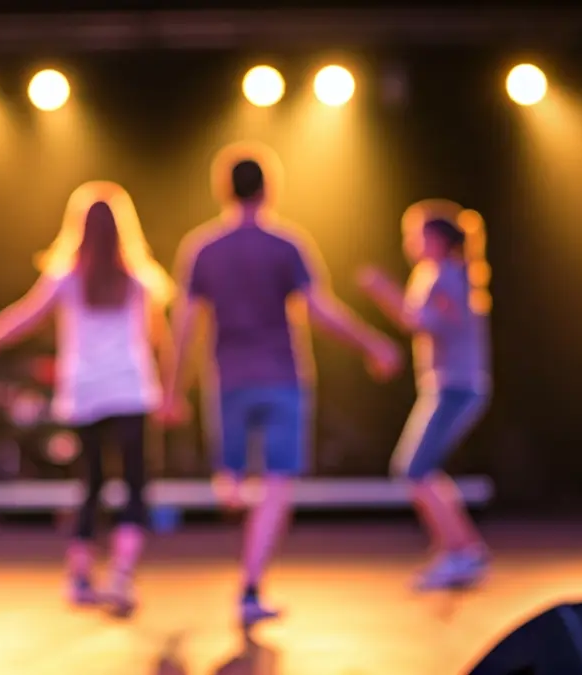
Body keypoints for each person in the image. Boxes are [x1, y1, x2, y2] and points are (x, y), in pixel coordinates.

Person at [161, 144, 403, 626]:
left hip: (228, 381)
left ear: (223, 189)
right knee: (277, 483)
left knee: (233, 480)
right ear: (269, 189)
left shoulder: (203, 247)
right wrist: (372, 342)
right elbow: (320, 309)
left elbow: (184, 324)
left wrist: (171, 390)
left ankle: (233, 490)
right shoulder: (287, 245)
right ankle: (251, 584)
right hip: (283, 380)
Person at [0, 182, 173, 616]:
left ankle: (79, 576)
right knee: (135, 485)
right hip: (131, 390)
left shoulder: (66, 278)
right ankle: (121, 575)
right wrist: (172, 390)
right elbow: (159, 339)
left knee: (91, 483)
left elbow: (24, 317)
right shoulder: (141, 280)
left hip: (86, 391)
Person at [356, 201, 493, 590]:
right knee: (422, 470)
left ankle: (460, 553)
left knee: (415, 469)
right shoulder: (438, 274)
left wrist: (381, 289)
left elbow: (419, 322)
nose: (409, 243)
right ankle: (463, 549)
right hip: (447, 385)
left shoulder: (446, 275)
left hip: (455, 387)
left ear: (434, 239)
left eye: (415, 235)